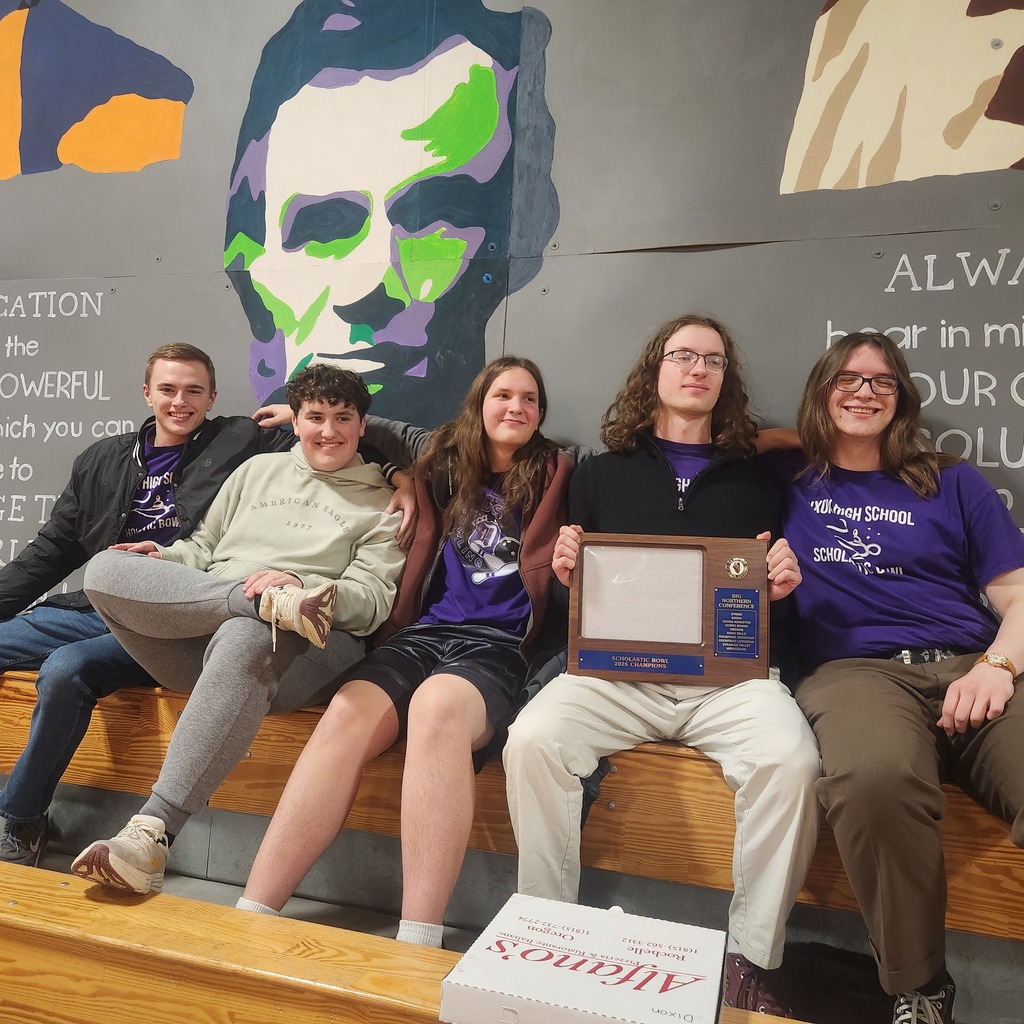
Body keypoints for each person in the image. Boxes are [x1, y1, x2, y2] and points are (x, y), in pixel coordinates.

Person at [503, 314, 820, 1017]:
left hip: (730, 681)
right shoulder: (600, 473)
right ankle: (547, 927)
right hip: (619, 676)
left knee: (792, 760)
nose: (697, 368)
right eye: (682, 355)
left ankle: (753, 961)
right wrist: (562, 575)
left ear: (725, 380)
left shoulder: (761, 482)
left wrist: (783, 590)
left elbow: (774, 605)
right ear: (657, 371)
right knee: (533, 739)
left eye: (712, 359)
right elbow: (569, 602)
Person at [235, 356, 573, 949]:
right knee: (344, 712)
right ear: (479, 403)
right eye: (502, 395)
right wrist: (302, 417)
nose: (515, 408)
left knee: (436, 711)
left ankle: (417, 939)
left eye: (529, 399)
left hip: (498, 646)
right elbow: (382, 429)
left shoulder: (562, 471)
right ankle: (252, 910)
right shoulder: (445, 458)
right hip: (423, 634)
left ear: (541, 414)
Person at [69, 364, 406, 895]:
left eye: (343, 418)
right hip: (209, 625)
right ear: (295, 421)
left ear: (363, 425)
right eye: (315, 417)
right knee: (106, 570)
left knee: (249, 635)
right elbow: (200, 549)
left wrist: (298, 583)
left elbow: (371, 604)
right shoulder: (256, 472)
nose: (329, 431)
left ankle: (150, 835)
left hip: (307, 648)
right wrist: (163, 554)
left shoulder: (383, 502)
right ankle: (256, 604)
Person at [777, 331, 1024, 1024]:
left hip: (974, 667)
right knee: (874, 779)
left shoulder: (953, 480)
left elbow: (1019, 597)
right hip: (855, 673)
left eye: (882, 381)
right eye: (847, 379)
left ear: (902, 398)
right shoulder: (786, 482)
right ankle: (921, 991)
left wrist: (999, 668)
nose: (864, 391)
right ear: (822, 393)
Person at [0, 343, 301, 867]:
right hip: (91, 605)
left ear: (212, 397)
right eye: (167, 389)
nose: (179, 401)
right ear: (147, 393)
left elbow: (342, 431)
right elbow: (51, 552)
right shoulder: (101, 459)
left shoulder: (243, 440)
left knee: (66, 670)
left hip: (174, 618)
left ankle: (21, 819)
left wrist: (307, 417)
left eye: (193, 391)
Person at [225, 0, 558, 425]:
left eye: (433, 219)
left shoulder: (539, 474)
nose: (369, 292)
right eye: (328, 225)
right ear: (246, 261)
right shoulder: (241, 477)